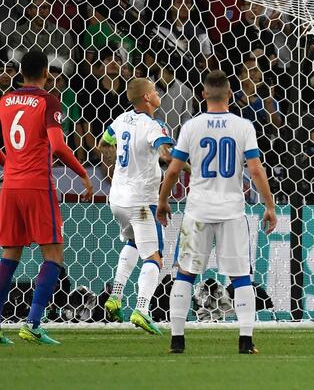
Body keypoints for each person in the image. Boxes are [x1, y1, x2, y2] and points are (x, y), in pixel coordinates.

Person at [156, 70, 277, 355]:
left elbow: (173, 170)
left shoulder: (191, 126)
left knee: (185, 274)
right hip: (232, 211)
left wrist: (162, 201)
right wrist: (269, 205)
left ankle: (177, 340)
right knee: (240, 277)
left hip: (197, 210)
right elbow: (256, 170)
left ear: (202, 94)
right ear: (231, 94)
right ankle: (245, 341)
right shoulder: (243, 125)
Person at [0, 49, 93, 345]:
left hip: (10, 186)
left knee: (10, 255)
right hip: (38, 186)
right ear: (46, 74)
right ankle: (33, 323)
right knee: (53, 255)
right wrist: (82, 173)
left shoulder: (4, 101)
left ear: (20, 73)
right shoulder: (48, 100)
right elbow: (58, 145)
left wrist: (11, 164)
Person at [98, 78, 175, 335]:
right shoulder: (151, 126)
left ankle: (115, 296)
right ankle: (142, 308)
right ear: (146, 98)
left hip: (118, 199)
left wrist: (113, 167)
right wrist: (187, 166)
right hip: (141, 202)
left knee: (132, 243)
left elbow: (104, 142)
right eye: (154, 90)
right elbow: (164, 152)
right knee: (154, 255)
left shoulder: (121, 120)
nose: (157, 93)